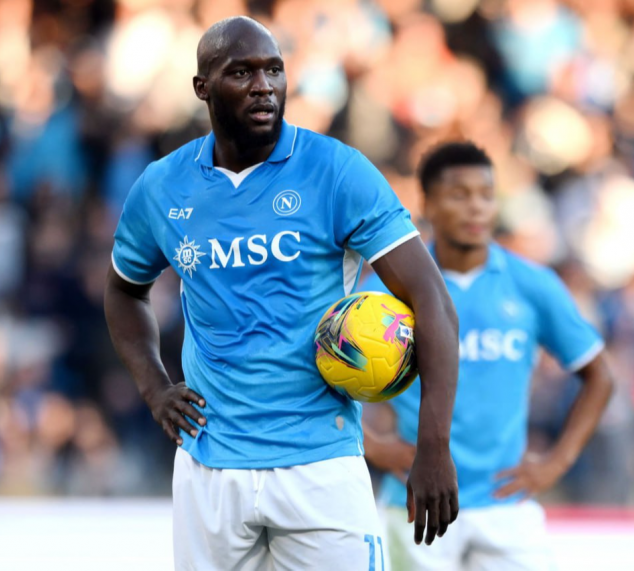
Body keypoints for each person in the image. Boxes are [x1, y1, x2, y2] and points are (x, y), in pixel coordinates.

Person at [103, 16, 460, 571]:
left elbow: (431, 299)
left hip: (320, 463)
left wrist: (434, 446)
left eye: (273, 70)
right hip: (209, 465)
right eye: (241, 73)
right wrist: (155, 389)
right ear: (202, 87)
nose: (263, 86)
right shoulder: (162, 187)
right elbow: (124, 290)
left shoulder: (336, 170)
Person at [363, 141, 614, 571]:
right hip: (415, 500)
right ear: (427, 204)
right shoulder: (386, 292)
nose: (476, 207)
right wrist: (372, 446)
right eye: (459, 194)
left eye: (486, 194)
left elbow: (600, 376)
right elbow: (330, 374)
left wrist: (556, 462)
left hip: (506, 504)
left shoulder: (531, 283)